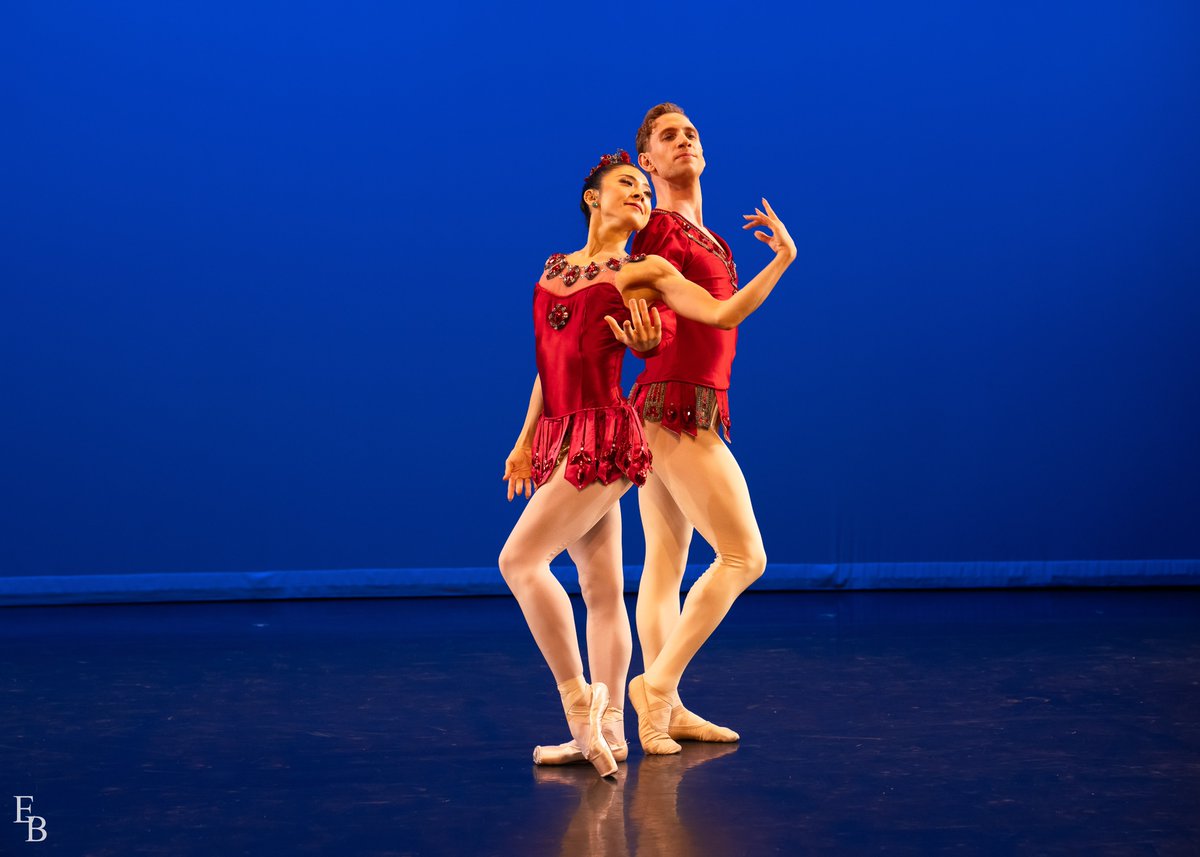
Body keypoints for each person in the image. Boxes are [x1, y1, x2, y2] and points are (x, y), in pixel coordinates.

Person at [501, 149, 794, 774]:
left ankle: (582, 704)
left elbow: (719, 314)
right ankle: (604, 735)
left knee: (519, 561)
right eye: (627, 185)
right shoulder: (556, 270)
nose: (639, 194)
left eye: (643, 188)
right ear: (593, 198)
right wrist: (525, 440)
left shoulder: (644, 269)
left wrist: (781, 262)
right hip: (559, 435)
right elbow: (547, 364)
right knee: (601, 590)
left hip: (605, 441)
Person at [623, 103, 795, 755]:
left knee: (666, 566)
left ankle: (666, 711)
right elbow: (677, 312)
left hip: (683, 405)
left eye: (691, 132)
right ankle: (656, 685)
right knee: (744, 556)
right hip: (674, 406)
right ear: (649, 161)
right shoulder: (660, 232)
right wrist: (782, 261)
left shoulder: (714, 240)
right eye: (669, 136)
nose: (684, 140)